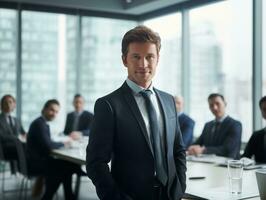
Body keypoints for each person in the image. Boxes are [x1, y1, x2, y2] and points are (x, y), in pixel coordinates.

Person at [86, 25, 186, 200]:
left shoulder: (169, 101)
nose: (143, 64)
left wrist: (179, 188)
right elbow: (96, 163)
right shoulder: (108, 105)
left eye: (149, 57)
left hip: (169, 195)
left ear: (158, 59)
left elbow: (178, 150)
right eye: (136, 57)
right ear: (125, 60)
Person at [27, 99, 81, 200]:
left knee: (67, 166)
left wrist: (60, 143)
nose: (54, 114)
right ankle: (61, 196)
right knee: (67, 167)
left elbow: (47, 143)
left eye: (56, 112)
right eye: (52, 110)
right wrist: (64, 143)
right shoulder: (39, 124)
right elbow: (49, 146)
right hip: (37, 163)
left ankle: (66, 196)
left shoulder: (42, 123)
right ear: (44, 109)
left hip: (40, 160)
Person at [188, 93, 242, 159]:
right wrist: (191, 148)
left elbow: (227, 149)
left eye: (217, 104)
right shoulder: (208, 125)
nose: (215, 108)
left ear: (225, 104)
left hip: (228, 165)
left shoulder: (235, 125)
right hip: (208, 164)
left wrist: (203, 150)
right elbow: (198, 143)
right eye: (211, 105)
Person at [0, 94, 26, 173]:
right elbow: (2, 137)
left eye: (10, 102)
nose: (8, 105)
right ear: (1, 105)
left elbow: (23, 133)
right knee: (21, 146)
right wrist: (18, 137)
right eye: (5, 103)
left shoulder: (16, 120)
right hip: (4, 149)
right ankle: (24, 172)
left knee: (29, 146)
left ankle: (33, 171)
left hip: (18, 147)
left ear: (14, 104)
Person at [242, 96, 266, 163]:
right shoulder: (256, 135)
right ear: (261, 112)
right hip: (259, 173)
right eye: (264, 109)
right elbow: (245, 157)